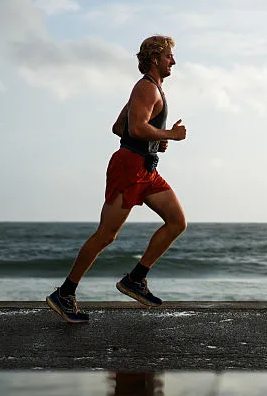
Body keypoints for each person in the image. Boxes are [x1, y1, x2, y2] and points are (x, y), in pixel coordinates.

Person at [46, 35, 188, 324]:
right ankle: (65, 292)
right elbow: (135, 129)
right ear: (155, 58)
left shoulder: (151, 90)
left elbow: (118, 127)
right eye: (169, 56)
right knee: (106, 234)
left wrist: (156, 141)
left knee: (177, 222)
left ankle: (136, 279)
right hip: (129, 167)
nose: (173, 61)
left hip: (146, 168)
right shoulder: (146, 89)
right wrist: (169, 135)